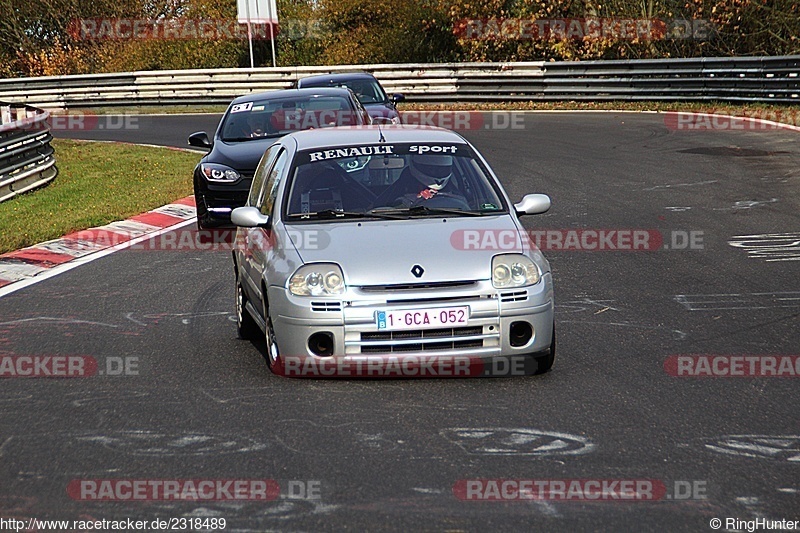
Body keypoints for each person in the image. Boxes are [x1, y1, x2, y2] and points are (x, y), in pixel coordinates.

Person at [373, 154, 470, 209]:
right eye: (431, 169)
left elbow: (473, 205)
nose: (437, 173)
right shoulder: (399, 191)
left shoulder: (459, 195)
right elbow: (376, 210)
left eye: (442, 170)